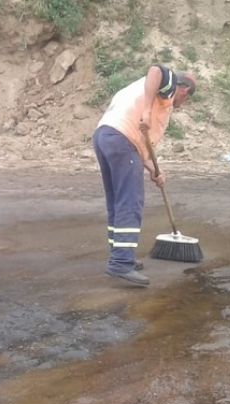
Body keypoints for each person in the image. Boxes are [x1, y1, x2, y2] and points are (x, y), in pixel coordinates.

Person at [92, 65, 196, 286]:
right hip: (122, 139)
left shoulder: (144, 93)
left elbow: (142, 151)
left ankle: (120, 254)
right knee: (130, 201)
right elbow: (156, 70)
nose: (182, 103)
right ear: (184, 91)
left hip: (106, 136)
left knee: (117, 201)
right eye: (186, 99)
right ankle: (121, 263)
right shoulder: (168, 87)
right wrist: (147, 111)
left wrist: (155, 172)